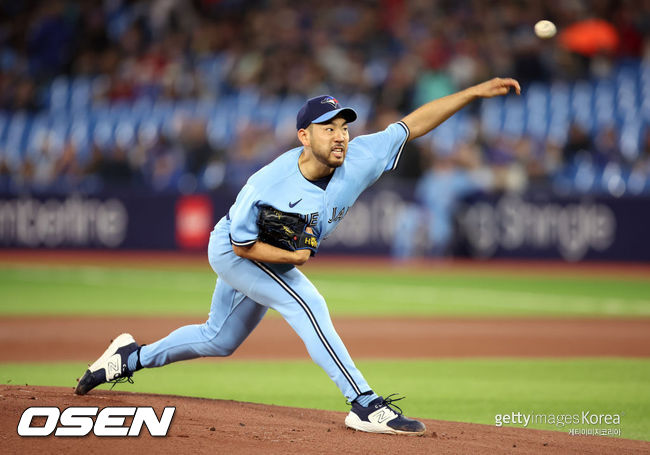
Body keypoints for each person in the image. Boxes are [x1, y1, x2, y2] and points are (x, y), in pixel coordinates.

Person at [75, 77, 521, 435]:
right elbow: (241, 244)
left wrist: (473, 93)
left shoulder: (362, 156)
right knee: (306, 303)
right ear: (304, 137)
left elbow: (413, 124)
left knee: (219, 339)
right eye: (329, 127)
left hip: (265, 253)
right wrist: (294, 260)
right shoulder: (269, 183)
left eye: (343, 125)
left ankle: (127, 358)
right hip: (236, 249)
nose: (341, 135)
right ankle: (364, 404)